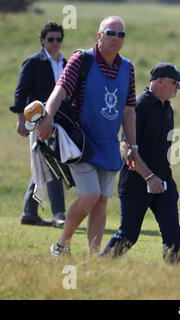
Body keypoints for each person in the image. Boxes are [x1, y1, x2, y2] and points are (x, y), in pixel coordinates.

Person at [37, 16, 138, 257]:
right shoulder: (82, 59)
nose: (116, 38)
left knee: (101, 201)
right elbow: (60, 88)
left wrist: (132, 144)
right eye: (110, 33)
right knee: (90, 195)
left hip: (109, 145)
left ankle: (93, 258)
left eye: (120, 35)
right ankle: (62, 244)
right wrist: (48, 117)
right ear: (99, 35)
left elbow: (128, 109)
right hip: (80, 142)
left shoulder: (128, 67)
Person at [101, 62, 180, 263]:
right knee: (129, 235)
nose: (179, 87)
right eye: (175, 82)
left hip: (164, 182)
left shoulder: (168, 108)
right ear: (159, 82)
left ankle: (174, 276)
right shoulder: (139, 106)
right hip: (136, 183)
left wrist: (161, 177)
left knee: (172, 230)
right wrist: (149, 176)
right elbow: (125, 146)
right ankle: (98, 266)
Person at [10, 21, 67, 228]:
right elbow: (21, 92)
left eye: (58, 39)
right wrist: (21, 120)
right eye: (50, 39)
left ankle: (29, 212)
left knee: (43, 165)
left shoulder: (66, 63)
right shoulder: (33, 62)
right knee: (52, 165)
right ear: (42, 41)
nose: (54, 43)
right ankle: (59, 214)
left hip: (60, 122)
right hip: (37, 120)